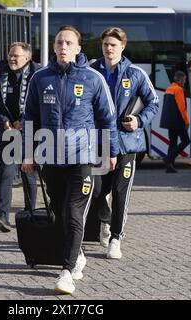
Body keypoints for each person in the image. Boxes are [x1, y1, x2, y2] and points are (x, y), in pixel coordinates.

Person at [22, 25, 119, 295]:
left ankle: (66, 271)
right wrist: (28, 153)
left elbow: (107, 119)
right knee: (61, 214)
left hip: (83, 159)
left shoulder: (93, 79)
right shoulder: (40, 79)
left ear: (78, 48)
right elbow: (30, 117)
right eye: (59, 42)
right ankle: (77, 255)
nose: (63, 47)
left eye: (68, 43)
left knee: (76, 214)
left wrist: (111, 151)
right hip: (51, 159)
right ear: (53, 47)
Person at [90, 27, 159, 255]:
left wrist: (139, 121)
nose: (108, 49)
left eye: (113, 45)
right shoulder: (91, 71)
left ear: (122, 47)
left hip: (127, 143)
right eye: (105, 45)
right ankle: (104, 220)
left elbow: (153, 103)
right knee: (97, 190)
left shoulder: (135, 73)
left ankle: (116, 239)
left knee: (120, 192)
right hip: (100, 142)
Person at [0, 42, 40, 232]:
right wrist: (4, 122)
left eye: (15, 55)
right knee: (6, 174)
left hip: (29, 131)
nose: (11, 58)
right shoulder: (2, 73)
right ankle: (2, 217)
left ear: (26, 58)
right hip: (8, 132)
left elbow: (39, 102)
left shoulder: (37, 74)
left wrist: (22, 121)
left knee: (29, 174)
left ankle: (30, 214)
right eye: (10, 55)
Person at [160, 71, 191, 173]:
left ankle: (170, 166)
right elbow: (181, 108)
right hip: (178, 121)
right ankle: (168, 158)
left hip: (169, 121)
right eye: (184, 80)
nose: (185, 82)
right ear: (180, 79)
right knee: (186, 141)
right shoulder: (178, 90)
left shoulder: (169, 89)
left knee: (172, 143)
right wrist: (186, 122)